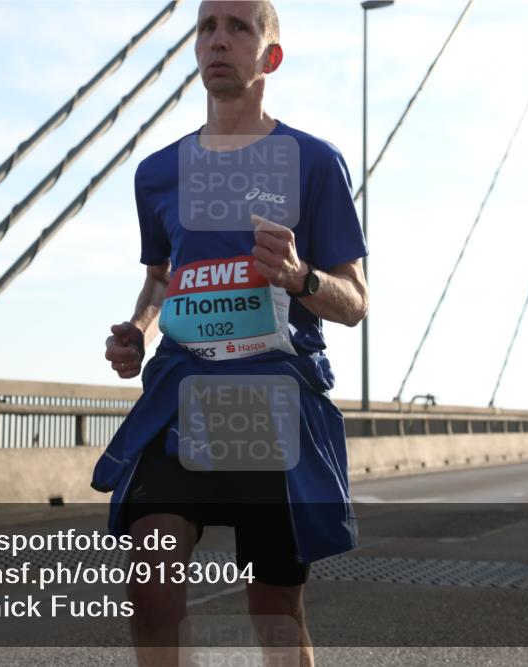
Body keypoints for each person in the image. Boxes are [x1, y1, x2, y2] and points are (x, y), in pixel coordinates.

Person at [93, 2, 369, 665]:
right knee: (151, 582)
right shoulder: (157, 172)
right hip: (182, 394)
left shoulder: (312, 162)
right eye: (207, 27)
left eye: (239, 27)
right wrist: (137, 328)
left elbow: (355, 301)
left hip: (271, 401)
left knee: (274, 610)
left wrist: (301, 277)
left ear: (270, 56)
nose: (219, 39)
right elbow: (162, 279)